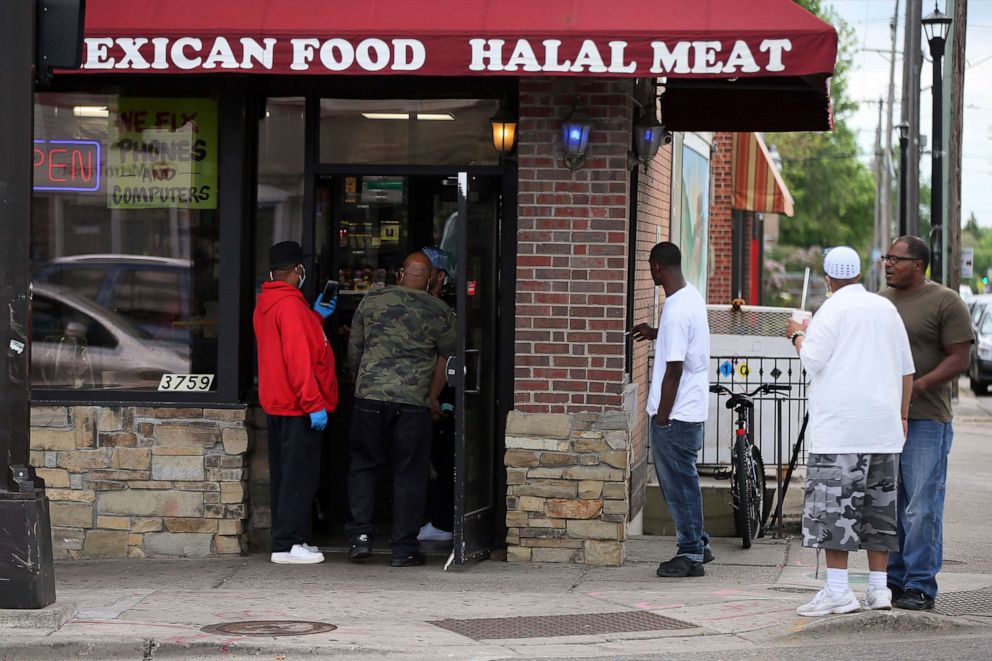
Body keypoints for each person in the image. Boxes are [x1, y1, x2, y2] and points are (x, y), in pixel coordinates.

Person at [785, 246, 915, 616]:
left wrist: (797, 335)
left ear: (828, 278)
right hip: (883, 430)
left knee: (833, 511)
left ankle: (838, 591)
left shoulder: (831, 311)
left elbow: (812, 359)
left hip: (840, 431)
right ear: (858, 273)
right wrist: (902, 416)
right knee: (880, 513)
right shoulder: (886, 309)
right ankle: (879, 591)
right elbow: (907, 371)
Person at [880, 236, 974, 610]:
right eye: (886, 257)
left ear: (917, 265)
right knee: (890, 504)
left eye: (894, 258)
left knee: (921, 506)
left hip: (926, 420)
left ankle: (919, 584)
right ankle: (892, 578)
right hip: (885, 419)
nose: (886, 263)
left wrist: (919, 385)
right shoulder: (881, 303)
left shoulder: (945, 301)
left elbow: (960, 358)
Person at [346, 251, 456, 567]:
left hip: (370, 397)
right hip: (412, 403)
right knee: (410, 473)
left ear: (401, 273)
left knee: (363, 466)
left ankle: (360, 537)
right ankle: (404, 548)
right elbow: (451, 353)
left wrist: (360, 380)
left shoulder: (372, 300)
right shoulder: (439, 310)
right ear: (433, 277)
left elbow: (355, 348)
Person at [630, 242, 713, 577]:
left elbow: (675, 369)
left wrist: (662, 418)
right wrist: (655, 333)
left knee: (679, 486)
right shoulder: (689, 297)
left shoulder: (676, 311)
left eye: (651, 267)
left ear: (657, 267)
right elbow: (683, 342)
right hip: (688, 411)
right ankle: (699, 544)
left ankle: (691, 553)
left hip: (676, 416)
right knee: (683, 482)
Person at [253, 241, 338, 565]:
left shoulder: (269, 303)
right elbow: (299, 359)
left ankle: (293, 539)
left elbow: (285, 345)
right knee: (299, 477)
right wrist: (313, 402)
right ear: (297, 270)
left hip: (278, 402)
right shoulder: (290, 306)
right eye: (302, 267)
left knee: (286, 476)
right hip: (297, 405)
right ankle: (287, 545)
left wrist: (315, 317)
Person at [418, 246, 455, 543]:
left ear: (439, 276)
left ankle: (442, 522)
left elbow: (446, 359)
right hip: (407, 395)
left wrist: (433, 397)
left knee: (442, 460)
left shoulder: (445, 311)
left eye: (424, 271)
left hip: (434, 397)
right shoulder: (405, 305)